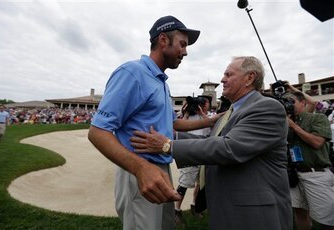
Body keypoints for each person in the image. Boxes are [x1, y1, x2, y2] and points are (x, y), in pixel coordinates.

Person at [130, 56, 293, 230]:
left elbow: (229, 148)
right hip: (231, 208)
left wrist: (168, 146)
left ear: (249, 78)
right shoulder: (234, 110)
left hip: (254, 214)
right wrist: (172, 137)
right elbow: (212, 142)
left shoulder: (267, 107)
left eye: (229, 74)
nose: (223, 79)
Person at [88, 16, 218, 230]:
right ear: (163, 40)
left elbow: (174, 123)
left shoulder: (162, 83)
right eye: (182, 44)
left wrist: (215, 119)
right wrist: (141, 169)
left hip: (160, 168)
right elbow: (97, 132)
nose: (185, 52)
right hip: (138, 169)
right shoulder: (132, 73)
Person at [286, 91, 334, 230]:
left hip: (316, 174)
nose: (289, 105)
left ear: (303, 102)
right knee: (299, 212)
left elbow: (318, 142)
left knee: (326, 219)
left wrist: (294, 127)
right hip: (295, 175)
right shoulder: (287, 122)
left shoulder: (317, 118)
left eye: (292, 101)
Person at [174, 96, 211, 226]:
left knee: (200, 184)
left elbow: (213, 125)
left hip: (203, 154)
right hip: (189, 153)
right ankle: (176, 211)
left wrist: (202, 113)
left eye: (203, 103)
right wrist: (187, 113)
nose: (201, 105)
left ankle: (195, 207)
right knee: (184, 184)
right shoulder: (187, 117)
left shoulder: (210, 116)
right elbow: (179, 127)